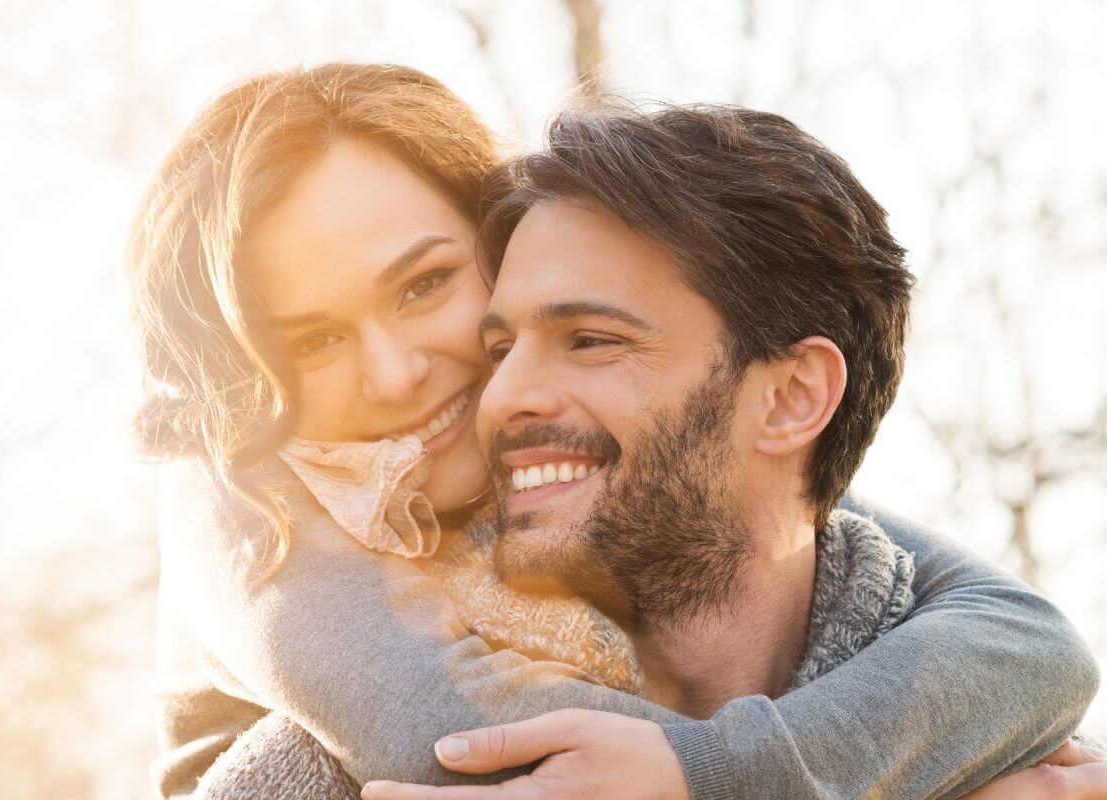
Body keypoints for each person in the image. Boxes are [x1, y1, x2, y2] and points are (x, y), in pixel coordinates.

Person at [127, 64, 1100, 800]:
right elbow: (454, 735)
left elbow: (1024, 641)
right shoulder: (245, 492)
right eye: (313, 340)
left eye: (425, 284)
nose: (394, 373)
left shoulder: (583, 445)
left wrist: (727, 766)